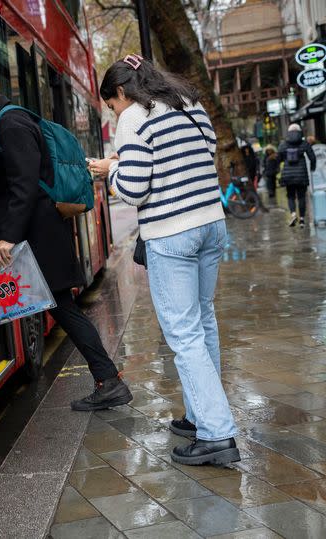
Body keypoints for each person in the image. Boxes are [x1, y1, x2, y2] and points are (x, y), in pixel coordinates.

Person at [0, 68, 133, 411]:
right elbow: (9, 180)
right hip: (37, 230)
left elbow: (25, 185)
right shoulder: (4, 122)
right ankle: (108, 381)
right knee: (64, 309)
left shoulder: (11, 124)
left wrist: (8, 238)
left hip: (34, 231)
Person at [89, 54, 240, 466]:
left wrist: (110, 172)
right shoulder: (189, 102)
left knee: (184, 334)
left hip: (172, 233)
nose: (114, 112)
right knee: (203, 320)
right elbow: (200, 154)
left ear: (121, 91)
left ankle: (216, 433)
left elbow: (135, 189)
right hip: (211, 222)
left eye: (111, 104)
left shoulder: (134, 117)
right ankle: (198, 415)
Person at [278, 123, 316, 227]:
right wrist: (313, 168)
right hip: (301, 175)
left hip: (288, 176)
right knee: (301, 197)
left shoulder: (283, 144)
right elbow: (312, 157)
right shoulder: (304, 143)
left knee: (290, 196)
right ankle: (302, 219)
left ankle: (293, 214)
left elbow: (278, 157)